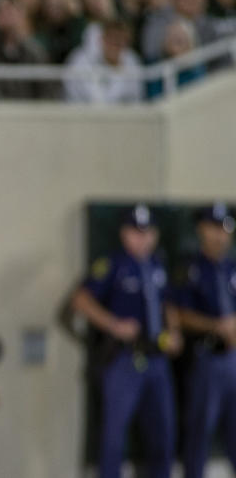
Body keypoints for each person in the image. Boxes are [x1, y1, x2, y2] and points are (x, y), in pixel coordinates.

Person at [70, 203, 181, 478]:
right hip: (124, 359)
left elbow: (168, 302)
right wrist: (114, 325)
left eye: (148, 232)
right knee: (113, 437)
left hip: (157, 358)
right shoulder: (112, 264)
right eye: (135, 231)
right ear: (124, 233)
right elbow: (80, 300)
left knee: (163, 435)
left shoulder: (157, 264)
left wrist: (175, 331)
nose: (142, 238)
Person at [179, 202, 236, 478]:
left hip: (233, 360)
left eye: (225, 229)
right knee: (200, 431)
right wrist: (217, 325)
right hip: (206, 358)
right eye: (214, 228)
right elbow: (178, 313)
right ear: (202, 229)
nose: (220, 236)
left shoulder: (232, 268)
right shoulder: (191, 267)